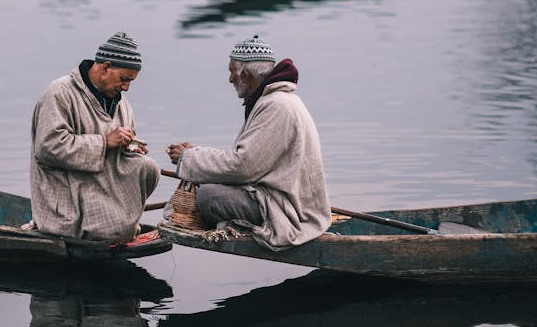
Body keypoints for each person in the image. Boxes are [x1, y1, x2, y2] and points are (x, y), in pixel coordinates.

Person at [165, 34, 331, 250]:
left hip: (288, 211)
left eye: (231, 72)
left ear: (244, 74)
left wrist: (189, 158)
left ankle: (237, 224)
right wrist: (195, 155)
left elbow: (243, 166)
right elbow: (247, 161)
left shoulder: (277, 105)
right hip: (276, 198)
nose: (230, 79)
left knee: (207, 195)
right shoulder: (273, 101)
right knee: (206, 183)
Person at [30, 32, 159, 244]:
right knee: (117, 231)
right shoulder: (60, 93)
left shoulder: (122, 104)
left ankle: (118, 224)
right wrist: (105, 142)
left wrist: (130, 147)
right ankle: (107, 227)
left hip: (101, 181)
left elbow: (119, 145)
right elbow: (47, 148)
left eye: (131, 81)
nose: (126, 87)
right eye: (124, 79)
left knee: (147, 167)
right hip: (70, 188)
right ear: (105, 67)